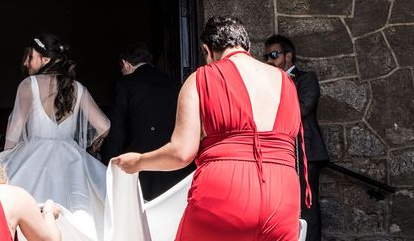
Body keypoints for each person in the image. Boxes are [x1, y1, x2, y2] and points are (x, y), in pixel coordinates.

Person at [114, 16, 311, 240]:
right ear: (246, 45)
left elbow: (181, 153)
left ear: (207, 50)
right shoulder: (284, 81)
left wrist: (138, 161)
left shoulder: (202, 78)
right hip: (283, 194)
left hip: (226, 192)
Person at [0, 34, 110, 239]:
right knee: (78, 211)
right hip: (71, 157)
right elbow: (104, 125)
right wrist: (89, 146)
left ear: (45, 59)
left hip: (32, 155)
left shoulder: (28, 84)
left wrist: (7, 158)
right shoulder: (78, 88)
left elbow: (15, 129)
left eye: (29, 57)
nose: (25, 62)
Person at [100, 42, 194, 200]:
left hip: (141, 163)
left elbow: (117, 129)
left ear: (125, 64)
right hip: (176, 163)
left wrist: (108, 163)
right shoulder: (174, 82)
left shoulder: (125, 84)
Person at [265, 34, 329, 241]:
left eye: (273, 55)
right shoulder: (268, 82)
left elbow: (302, 108)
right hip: (280, 153)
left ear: (289, 56)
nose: (269, 61)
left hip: (305, 151)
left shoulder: (306, 78)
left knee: (306, 205)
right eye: (266, 56)